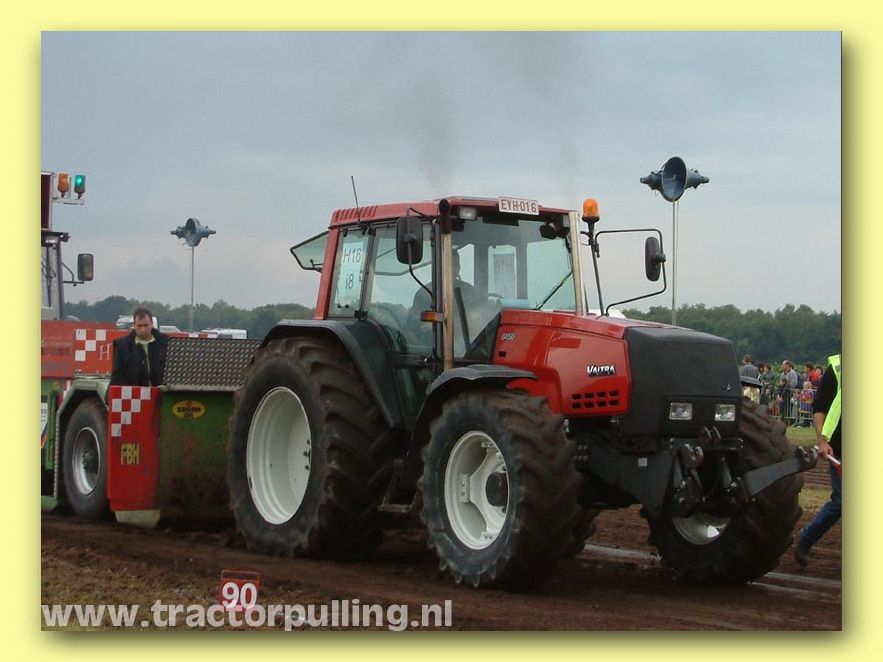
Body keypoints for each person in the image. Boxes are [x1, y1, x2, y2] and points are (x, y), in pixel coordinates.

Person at [794, 354, 841, 566]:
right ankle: (807, 537)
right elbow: (820, 407)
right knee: (841, 502)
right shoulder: (837, 368)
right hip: (840, 447)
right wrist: (822, 441)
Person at [110, 307, 169, 386]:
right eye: (139, 326)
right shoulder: (122, 346)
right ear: (134, 325)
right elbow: (117, 377)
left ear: (152, 324)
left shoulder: (166, 343)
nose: (143, 329)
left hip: (161, 391)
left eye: (146, 325)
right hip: (133, 392)